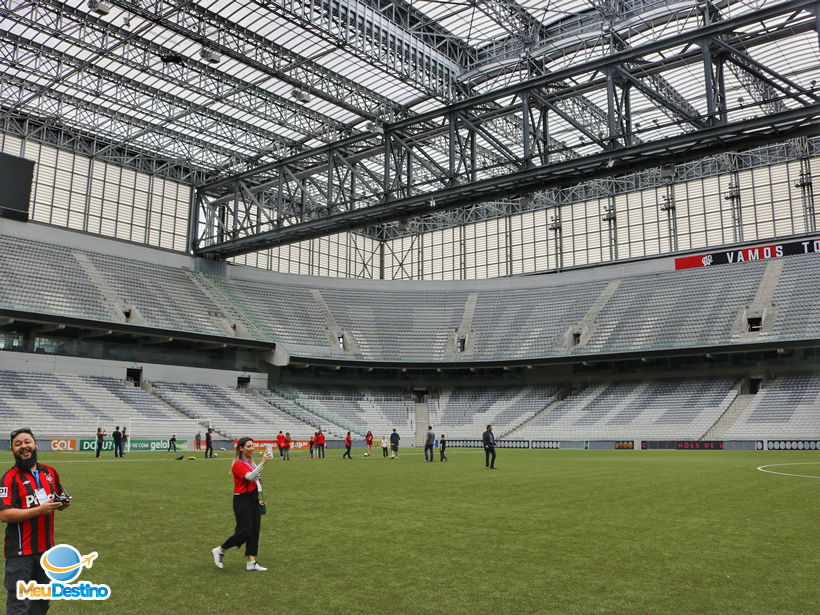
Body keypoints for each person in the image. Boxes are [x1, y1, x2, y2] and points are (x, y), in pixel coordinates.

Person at [0, 428, 71, 614]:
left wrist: (64, 503)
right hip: (20, 553)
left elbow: (58, 497)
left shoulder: (50, 472)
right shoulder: (9, 478)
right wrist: (39, 510)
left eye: (27, 442)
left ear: (35, 445)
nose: (24, 446)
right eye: (18, 444)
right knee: (19, 606)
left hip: (47, 551)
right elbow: (5, 514)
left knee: (41, 603)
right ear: (13, 450)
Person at [212, 437, 272, 572]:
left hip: (252, 498)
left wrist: (257, 498)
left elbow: (256, 479)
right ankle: (220, 550)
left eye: (253, 446)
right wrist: (263, 462)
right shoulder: (238, 464)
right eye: (249, 446)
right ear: (241, 448)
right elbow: (249, 477)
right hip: (241, 500)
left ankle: (251, 561)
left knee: (254, 530)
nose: (252, 448)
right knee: (244, 531)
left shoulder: (251, 463)